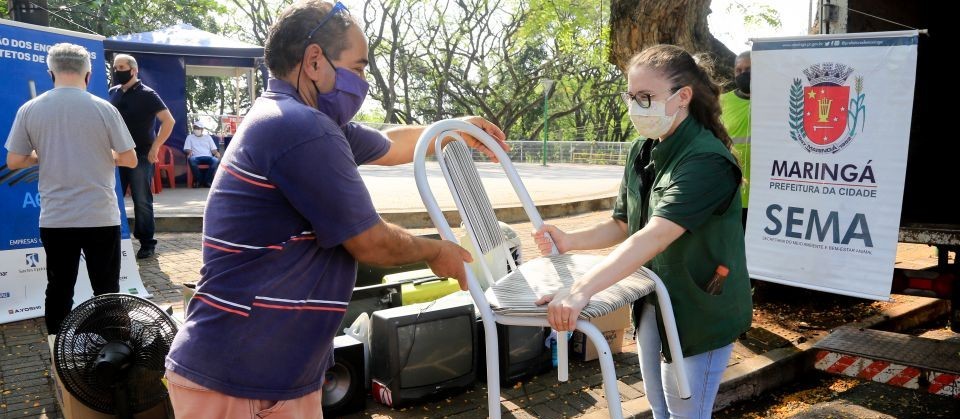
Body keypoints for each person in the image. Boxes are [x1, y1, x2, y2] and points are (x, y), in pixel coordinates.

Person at [163, 1, 508, 417]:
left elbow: (394, 144)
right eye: (359, 68)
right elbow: (372, 243)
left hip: (271, 373)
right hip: (243, 377)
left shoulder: (300, 119)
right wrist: (437, 251)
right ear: (313, 61)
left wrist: (456, 129)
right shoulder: (299, 127)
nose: (362, 83)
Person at [534, 44, 752, 418]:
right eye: (632, 96)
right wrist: (569, 241)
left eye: (646, 97)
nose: (636, 107)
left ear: (682, 97)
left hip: (699, 309)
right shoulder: (643, 149)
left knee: (686, 413)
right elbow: (623, 223)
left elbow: (653, 235)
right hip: (653, 297)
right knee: (658, 407)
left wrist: (581, 289)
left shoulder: (706, 160)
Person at [4, 43, 138, 335]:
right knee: (106, 288)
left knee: (59, 288)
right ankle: (113, 352)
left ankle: (57, 355)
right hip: (100, 215)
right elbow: (129, 158)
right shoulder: (104, 108)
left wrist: (41, 155)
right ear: (88, 74)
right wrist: (104, 154)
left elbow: (13, 161)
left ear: (51, 72)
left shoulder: (30, 109)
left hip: (57, 218)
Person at [109, 53, 176, 259]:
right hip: (115, 155)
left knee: (142, 200)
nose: (117, 71)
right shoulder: (112, 92)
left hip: (141, 155)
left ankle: (147, 243)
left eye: (121, 67)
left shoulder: (148, 94)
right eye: (115, 67)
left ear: (133, 70)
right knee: (111, 199)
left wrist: (156, 147)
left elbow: (169, 121)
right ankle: (114, 241)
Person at [720, 51, 751, 227]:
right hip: (731, 194)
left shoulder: (774, 101)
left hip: (763, 197)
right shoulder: (721, 102)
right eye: (738, 70)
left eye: (748, 69)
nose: (742, 74)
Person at [183, 121, 221, 187]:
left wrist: (217, 153)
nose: (196, 129)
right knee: (191, 160)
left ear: (202, 129)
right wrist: (189, 152)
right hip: (195, 157)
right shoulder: (190, 137)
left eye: (198, 128)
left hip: (208, 157)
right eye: (195, 128)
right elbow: (186, 148)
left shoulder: (208, 137)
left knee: (215, 160)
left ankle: (207, 181)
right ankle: (199, 180)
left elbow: (213, 150)